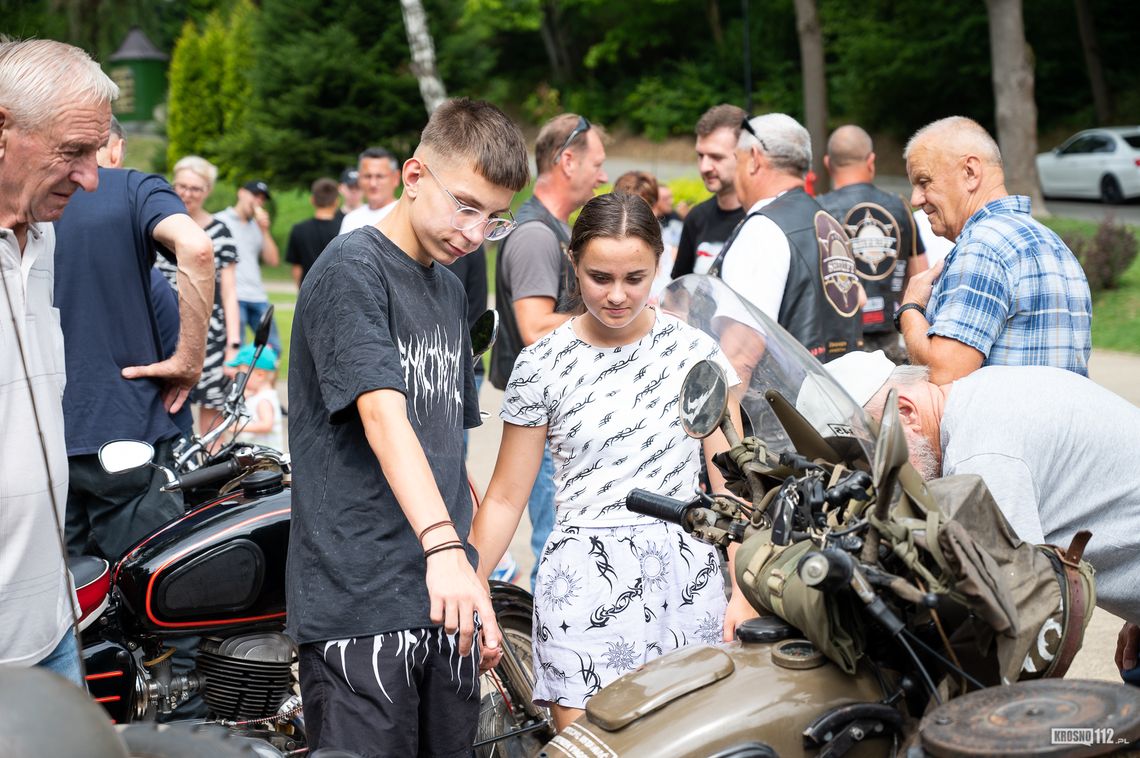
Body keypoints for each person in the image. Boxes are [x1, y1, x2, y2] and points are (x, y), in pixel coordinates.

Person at [286, 97, 530, 755]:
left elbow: (445, 446)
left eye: (495, 219)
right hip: (361, 602)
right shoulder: (351, 269)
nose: (476, 233)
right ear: (413, 175)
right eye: (466, 205)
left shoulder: (451, 291)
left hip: (445, 600)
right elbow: (382, 415)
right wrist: (446, 550)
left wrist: (474, 577)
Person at [473, 193, 756, 731]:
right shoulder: (541, 364)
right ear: (573, 264)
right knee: (589, 743)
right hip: (582, 579)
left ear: (659, 264)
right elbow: (507, 496)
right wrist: (470, 585)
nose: (618, 296)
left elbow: (732, 487)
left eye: (636, 277)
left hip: (685, 575)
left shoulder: (695, 353)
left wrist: (743, 591)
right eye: (600, 277)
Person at [825, 351, 1140, 669]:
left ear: (905, 412)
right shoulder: (980, 392)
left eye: (872, 453)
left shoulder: (980, 457)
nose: (878, 476)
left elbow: (1022, 606)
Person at [0, 37, 117, 685]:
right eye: (73, 151)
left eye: (96, 152)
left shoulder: (42, 237)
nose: (91, 177)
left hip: (51, 629)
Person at [55, 116, 214, 560]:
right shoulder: (134, 188)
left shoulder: (25, 198)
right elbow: (197, 249)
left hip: (39, 434)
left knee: (58, 603)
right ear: (117, 149)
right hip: (123, 432)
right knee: (152, 589)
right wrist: (190, 360)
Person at [489, 112, 609, 590]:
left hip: (560, 421)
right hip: (543, 426)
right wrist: (622, 321)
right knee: (557, 549)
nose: (602, 175)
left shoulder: (555, 229)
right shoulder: (537, 235)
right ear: (567, 161)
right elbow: (535, 327)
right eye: (597, 163)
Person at [897, 116, 1091, 383]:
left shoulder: (982, 246)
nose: (916, 199)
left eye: (924, 181)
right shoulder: (1055, 245)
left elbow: (945, 372)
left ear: (970, 172)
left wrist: (910, 308)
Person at [709, 113, 862, 363]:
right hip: (831, 393)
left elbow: (740, 352)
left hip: (779, 399)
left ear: (754, 159)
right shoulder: (827, 222)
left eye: (737, 160)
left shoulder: (763, 231)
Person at [817, 125, 928, 363]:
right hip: (891, 339)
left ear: (828, 163)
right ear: (871, 161)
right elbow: (921, 275)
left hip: (838, 343)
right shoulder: (900, 208)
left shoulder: (818, 211)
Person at [157, 156, 241, 441]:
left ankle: (209, 479)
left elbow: (229, 294)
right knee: (167, 410)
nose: (187, 194)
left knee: (211, 421)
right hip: (166, 330)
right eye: (181, 186)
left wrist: (234, 347)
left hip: (211, 335)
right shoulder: (158, 224)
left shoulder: (220, 231)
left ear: (207, 190)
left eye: (195, 188)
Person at [671, 104, 747, 277]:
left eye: (716, 157)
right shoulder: (696, 218)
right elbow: (680, 290)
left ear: (745, 155)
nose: (704, 167)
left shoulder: (764, 218)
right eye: (700, 155)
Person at [216, 180, 281, 353]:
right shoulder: (219, 221)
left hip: (257, 295)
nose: (258, 201)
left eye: (262, 199)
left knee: (274, 348)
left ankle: (263, 380)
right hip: (233, 296)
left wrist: (265, 230)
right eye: (255, 195)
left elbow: (273, 261)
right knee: (235, 348)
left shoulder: (257, 227)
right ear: (241, 193)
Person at [286, 177, 342, 288]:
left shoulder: (299, 229)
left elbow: (297, 268)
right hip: (337, 293)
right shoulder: (345, 229)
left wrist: (302, 292)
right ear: (336, 202)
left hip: (309, 291)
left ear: (312, 200)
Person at [227, 344, 282, 451]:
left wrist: (238, 428)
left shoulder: (263, 400)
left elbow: (266, 425)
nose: (236, 376)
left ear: (260, 375)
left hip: (265, 459)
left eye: (241, 373)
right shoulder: (258, 395)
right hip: (258, 455)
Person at [339, 146, 400, 234]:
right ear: (359, 178)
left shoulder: (406, 216)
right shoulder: (350, 220)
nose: (373, 184)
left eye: (380, 176)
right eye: (367, 176)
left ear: (396, 178)